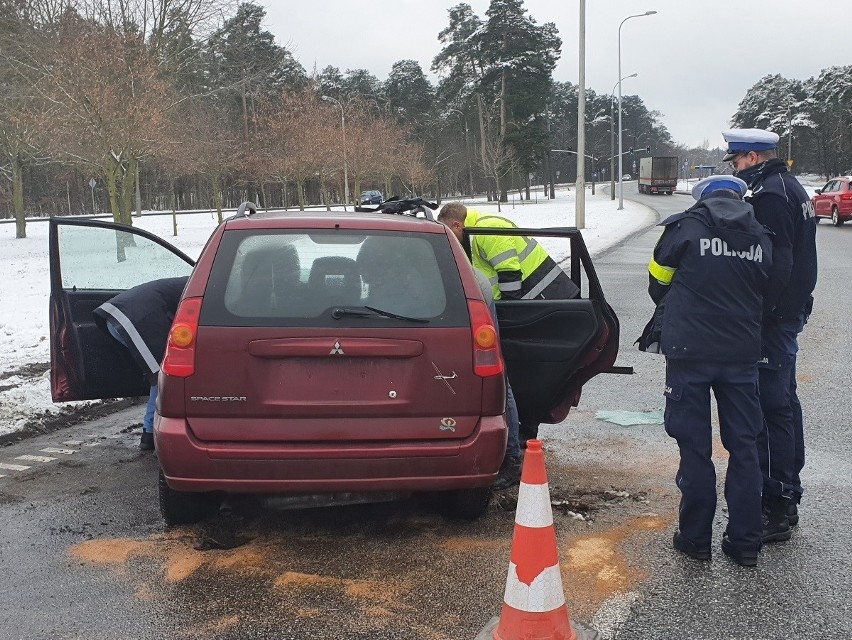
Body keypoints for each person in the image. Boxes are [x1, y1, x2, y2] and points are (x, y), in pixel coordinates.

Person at [639, 175, 775, 567]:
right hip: (741, 354)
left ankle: (696, 538)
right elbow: (769, 288)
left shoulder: (685, 227)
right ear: (738, 197)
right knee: (745, 446)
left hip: (689, 352)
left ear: (702, 198)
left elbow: (658, 281)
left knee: (694, 446)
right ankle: (746, 542)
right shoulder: (760, 235)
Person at [724, 128, 818, 541]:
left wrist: (761, 316)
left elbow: (776, 263)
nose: (736, 169)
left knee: (771, 407)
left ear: (754, 158)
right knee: (783, 403)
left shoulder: (771, 195)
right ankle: (786, 493)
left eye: (738, 161)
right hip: (788, 313)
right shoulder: (789, 187)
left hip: (774, 319)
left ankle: (777, 503)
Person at [437, 202, 579, 445]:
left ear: (457, 225)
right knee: (523, 368)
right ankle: (527, 428)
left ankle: (527, 429)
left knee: (529, 369)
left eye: (449, 233)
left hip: (543, 298)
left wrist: (509, 313)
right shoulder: (475, 234)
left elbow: (510, 274)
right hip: (538, 299)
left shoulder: (486, 229)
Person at [93, 277, 188, 450]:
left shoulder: (197, 278)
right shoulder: (211, 287)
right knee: (163, 374)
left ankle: (149, 432)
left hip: (117, 316)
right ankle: (150, 434)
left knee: (159, 371)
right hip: (136, 318)